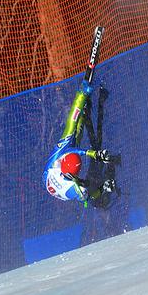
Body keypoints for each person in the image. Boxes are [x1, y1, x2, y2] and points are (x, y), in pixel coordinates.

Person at [42, 78, 116, 207]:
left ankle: (82, 103)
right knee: (76, 136)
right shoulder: (75, 189)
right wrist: (103, 188)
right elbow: (88, 199)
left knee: (72, 132)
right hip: (63, 186)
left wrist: (81, 95)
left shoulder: (56, 160)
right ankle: (83, 108)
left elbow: (71, 123)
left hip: (48, 176)